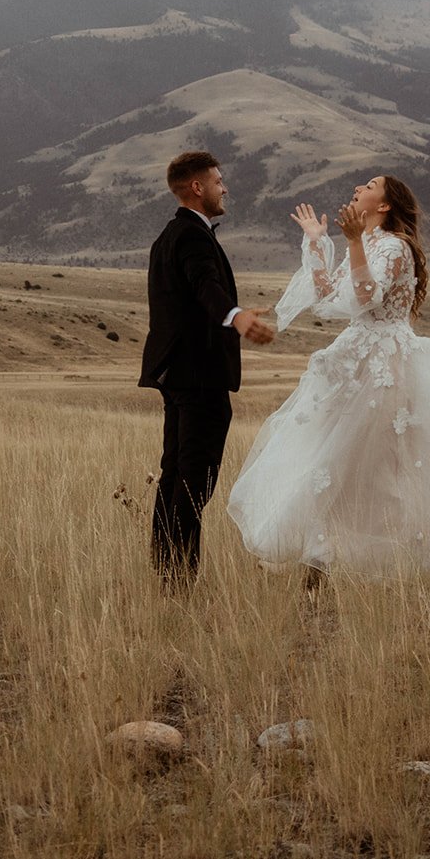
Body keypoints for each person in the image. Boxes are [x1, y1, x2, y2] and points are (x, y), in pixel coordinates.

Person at [227, 175, 430, 579]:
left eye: (369, 184)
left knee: (374, 464)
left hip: (385, 364)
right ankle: (320, 556)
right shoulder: (365, 245)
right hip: (351, 359)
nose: (358, 188)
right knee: (327, 455)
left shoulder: (395, 247)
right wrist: (316, 240)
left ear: (385, 205)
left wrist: (351, 242)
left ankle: (354, 560)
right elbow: (331, 297)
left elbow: (368, 296)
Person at [139, 150, 275, 585]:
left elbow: (192, 297)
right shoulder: (194, 238)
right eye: (218, 180)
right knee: (195, 480)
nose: (225, 187)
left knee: (175, 474)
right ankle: (179, 580)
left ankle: (167, 574)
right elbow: (206, 284)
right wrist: (235, 316)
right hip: (199, 378)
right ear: (197, 187)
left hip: (177, 375)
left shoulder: (168, 236)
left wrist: (230, 312)